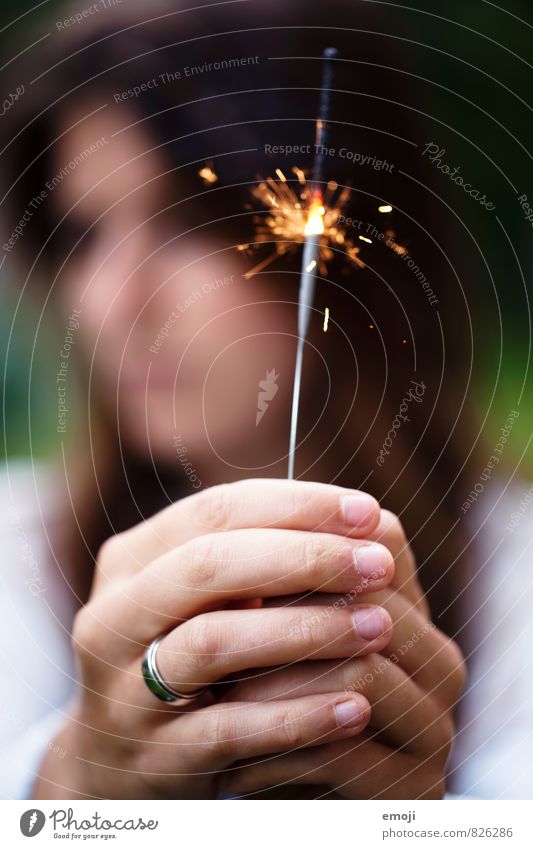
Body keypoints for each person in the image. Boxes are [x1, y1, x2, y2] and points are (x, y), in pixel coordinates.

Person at [0, 0, 527, 800]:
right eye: (83, 232)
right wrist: (70, 786)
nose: (117, 300)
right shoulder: (14, 560)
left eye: (188, 225)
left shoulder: (515, 583)